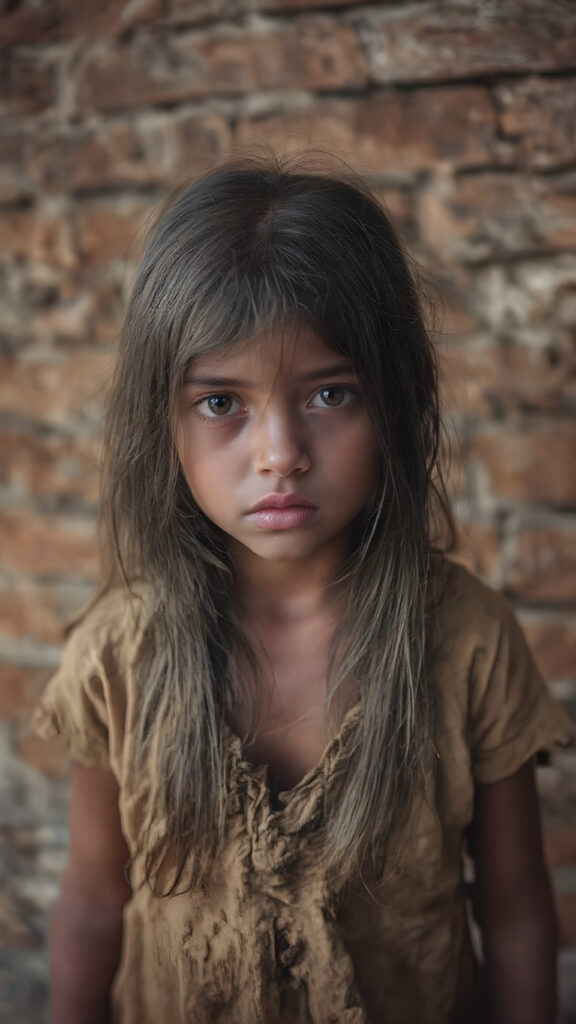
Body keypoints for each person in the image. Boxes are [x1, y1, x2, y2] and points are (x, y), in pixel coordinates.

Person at [31, 157, 573, 1024]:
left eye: (330, 392)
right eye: (221, 404)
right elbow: (96, 903)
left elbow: (511, 912)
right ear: (159, 417)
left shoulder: (467, 641)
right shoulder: (117, 657)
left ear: (395, 401)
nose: (279, 451)